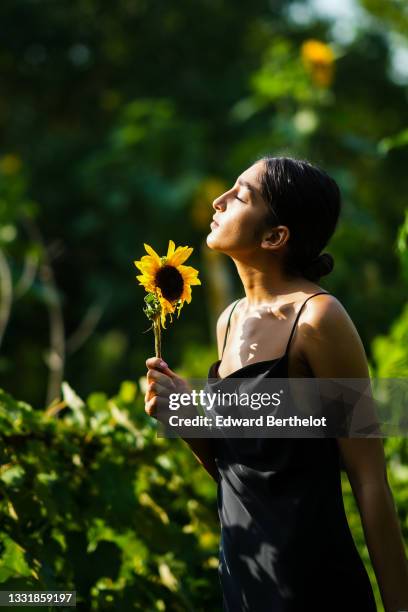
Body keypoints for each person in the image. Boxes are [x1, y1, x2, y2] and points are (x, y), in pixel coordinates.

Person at [145, 156, 408, 611]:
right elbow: (240, 473)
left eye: (240, 195)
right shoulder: (228, 322)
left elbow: (369, 479)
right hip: (245, 582)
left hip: (314, 587)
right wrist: (185, 417)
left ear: (274, 236)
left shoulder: (318, 318)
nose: (219, 200)